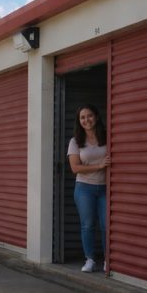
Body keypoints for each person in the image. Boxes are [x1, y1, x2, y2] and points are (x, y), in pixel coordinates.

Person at [67, 104, 110, 273]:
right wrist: (99, 165)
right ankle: (90, 259)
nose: (86, 120)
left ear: (97, 117)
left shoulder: (107, 137)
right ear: (79, 121)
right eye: (82, 117)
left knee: (107, 225)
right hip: (84, 188)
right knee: (88, 224)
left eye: (89, 116)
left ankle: (109, 260)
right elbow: (75, 168)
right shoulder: (75, 141)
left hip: (105, 188)